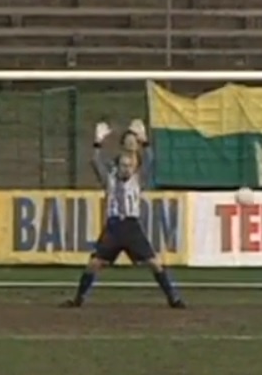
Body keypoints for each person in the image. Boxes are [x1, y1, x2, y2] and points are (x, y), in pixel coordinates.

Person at [61, 119, 184, 308]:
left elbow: (150, 160)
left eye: (129, 166)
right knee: (94, 263)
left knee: (154, 263)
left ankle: (173, 298)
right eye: (123, 165)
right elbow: (95, 161)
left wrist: (144, 140)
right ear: (117, 166)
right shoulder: (109, 180)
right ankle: (78, 299)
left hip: (131, 225)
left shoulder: (137, 180)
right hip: (114, 227)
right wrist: (98, 142)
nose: (127, 168)